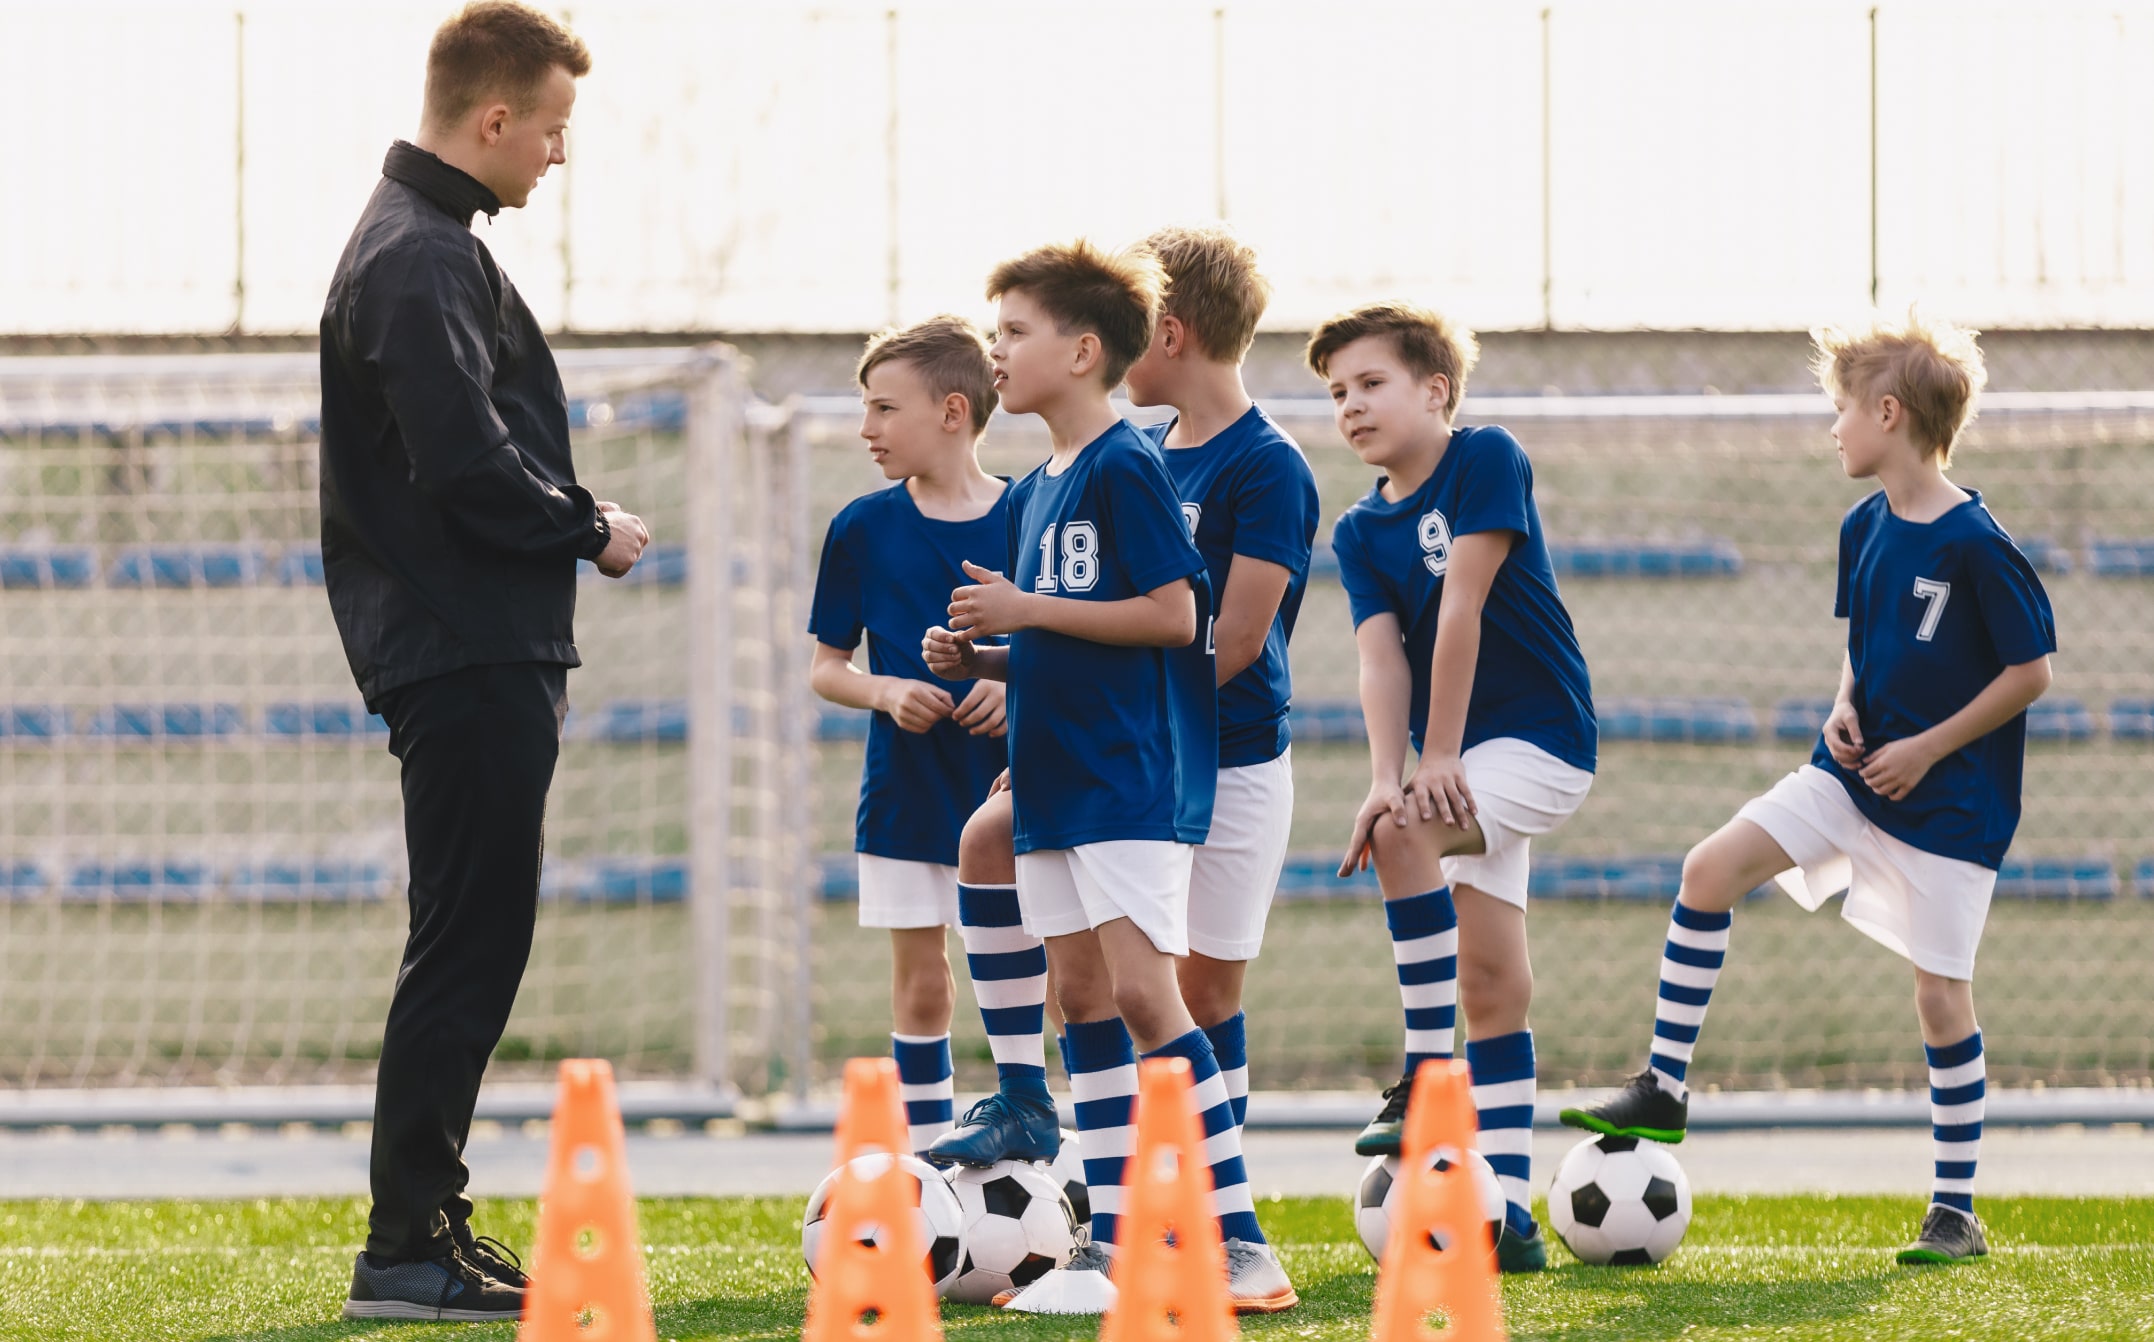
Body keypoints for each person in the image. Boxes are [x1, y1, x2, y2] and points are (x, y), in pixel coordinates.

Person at [1561, 312, 2053, 1268]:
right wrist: (1843, 704)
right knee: (1709, 870)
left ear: (1887, 412)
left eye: (1840, 410)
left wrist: (1929, 749)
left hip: (1951, 814)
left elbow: (2031, 672)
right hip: (1850, 781)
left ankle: (1955, 1212)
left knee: (1941, 1001)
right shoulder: (1862, 524)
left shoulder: (1978, 544)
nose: (1831, 428)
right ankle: (1664, 1085)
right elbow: (1859, 645)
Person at [318, 2, 646, 1322]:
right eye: (553, 128)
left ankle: (426, 1221)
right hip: (463, 642)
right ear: (493, 117)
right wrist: (592, 527)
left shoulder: (428, 243)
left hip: (468, 639)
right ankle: (404, 1245)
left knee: (471, 934)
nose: (558, 156)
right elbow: (463, 465)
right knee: (466, 938)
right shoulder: (420, 254)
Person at [922, 239, 1279, 1315]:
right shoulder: (1039, 487)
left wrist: (1024, 615)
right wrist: (983, 655)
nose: (997, 352)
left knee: (1141, 995)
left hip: (1126, 777)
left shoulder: (1128, 463)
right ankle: (1114, 1247)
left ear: (1082, 351)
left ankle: (1245, 1244)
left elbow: (1176, 617)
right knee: (1085, 998)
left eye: (1016, 333)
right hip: (1055, 778)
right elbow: (1067, 639)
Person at [1315, 302, 1597, 1274]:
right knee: (1494, 983)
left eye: (1370, 383)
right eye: (1337, 393)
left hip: (1539, 743)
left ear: (1435, 390)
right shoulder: (1357, 530)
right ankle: (1508, 1210)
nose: (1350, 406)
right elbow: (1380, 659)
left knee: (1405, 838)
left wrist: (1433, 765)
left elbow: (1467, 604)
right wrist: (1385, 776)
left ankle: (1430, 1076)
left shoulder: (1485, 459)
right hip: (1460, 762)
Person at [807, 316, 1013, 1157]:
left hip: (1015, 793)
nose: (867, 430)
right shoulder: (861, 527)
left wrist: (1017, 696)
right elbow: (827, 667)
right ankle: (930, 1161)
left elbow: (1066, 644)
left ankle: (1056, 1154)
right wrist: (888, 691)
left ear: (953, 412)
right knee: (923, 982)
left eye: (885, 409)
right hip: (905, 793)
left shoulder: (1033, 510)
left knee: (1050, 982)